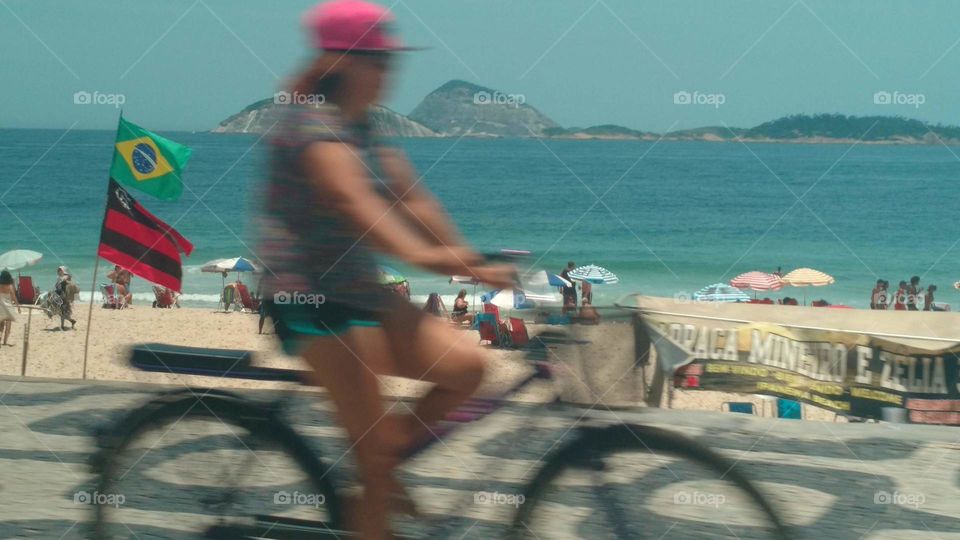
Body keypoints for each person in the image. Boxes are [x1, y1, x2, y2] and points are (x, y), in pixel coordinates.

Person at [256, 3, 515, 537]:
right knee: (375, 470)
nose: (388, 71)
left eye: (389, 60)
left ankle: (378, 458)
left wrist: (470, 257)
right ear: (342, 61)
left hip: (359, 291)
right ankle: (375, 476)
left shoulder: (364, 124)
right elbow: (356, 204)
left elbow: (414, 201)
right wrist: (428, 259)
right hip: (310, 300)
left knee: (467, 369)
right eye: (377, 60)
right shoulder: (310, 123)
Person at [0, 270, 21, 346]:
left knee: (1, 324)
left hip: (1, 307)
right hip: (8, 307)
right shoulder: (10, 286)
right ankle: (5, 342)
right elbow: (14, 297)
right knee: (8, 324)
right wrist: (18, 307)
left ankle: (0, 335)